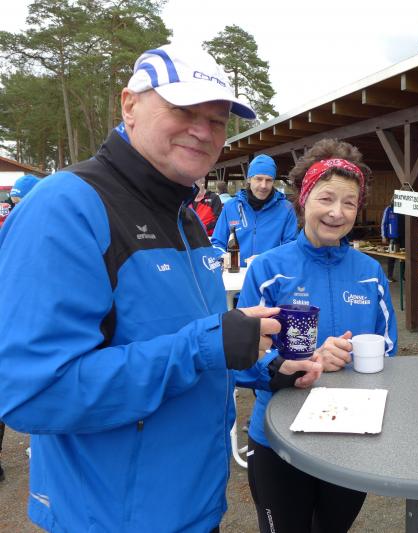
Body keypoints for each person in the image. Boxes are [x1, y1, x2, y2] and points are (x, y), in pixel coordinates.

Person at [0, 44, 322, 532]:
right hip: (111, 518)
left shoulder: (185, 217)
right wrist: (205, 346)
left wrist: (266, 368)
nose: (203, 131)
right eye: (183, 110)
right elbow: (34, 392)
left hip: (195, 507)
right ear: (129, 105)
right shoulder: (65, 207)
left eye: (216, 120)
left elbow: (195, 345)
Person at [238, 138, 399, 533]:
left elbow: (389, 351)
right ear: (303, 199)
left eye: (349, 202)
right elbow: (240, 361)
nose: (336, 212)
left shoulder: (370, 273)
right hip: (279, 439)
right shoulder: (268, 269)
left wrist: (355, 357)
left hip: (352, 438)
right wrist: (304, 362)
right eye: (326, 198)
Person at [0, 173, 42, 481]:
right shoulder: (11, 229)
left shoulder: (50, 227)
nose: (17, 209)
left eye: (21, 202)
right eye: (13, 204)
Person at [212, 153, 297, 267]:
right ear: (249, 179)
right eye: (259, 179)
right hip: (237, 274)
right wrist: (223, 256)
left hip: (270, 274)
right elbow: (216, 243)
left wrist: (266, 260)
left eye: (268, 180)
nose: (263, 185)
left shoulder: (286, 209)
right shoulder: (230, 207)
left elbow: (292, 248)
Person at [380, 201, 405, 282]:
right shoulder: (389, 209)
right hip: (393, 236)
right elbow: (384, 223)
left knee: (404, 256)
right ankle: (389, 276)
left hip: (404, 236)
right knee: (391, 257)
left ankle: (402, 276)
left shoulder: (405, 208)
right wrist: (383, 236)